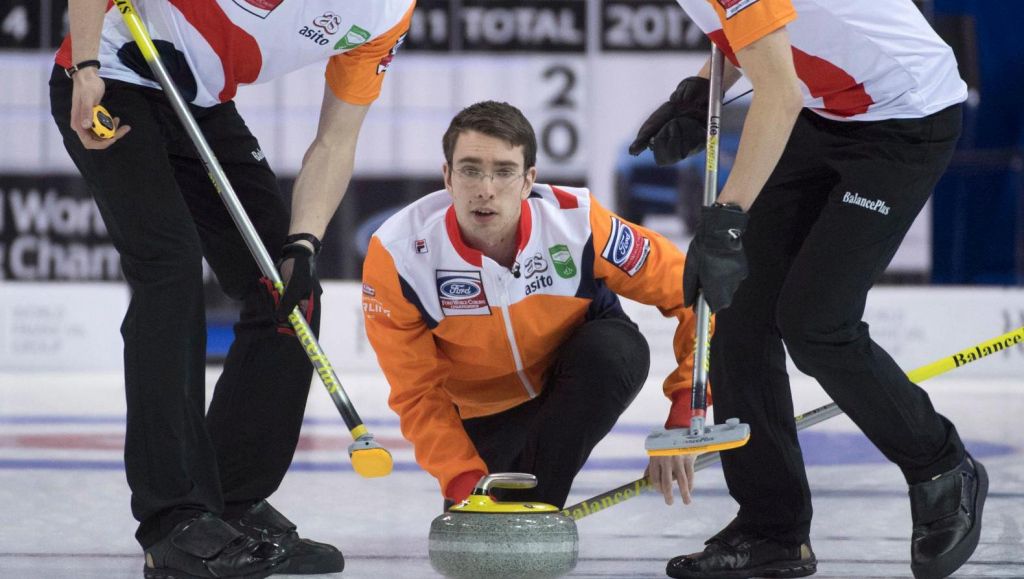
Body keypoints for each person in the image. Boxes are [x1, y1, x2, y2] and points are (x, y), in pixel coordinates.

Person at [50, 1, 414, 577]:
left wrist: (305, 244)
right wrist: (85, 65)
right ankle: (174, 520)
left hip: (200, 102)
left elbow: (337, 140)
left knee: (288, 290)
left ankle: (232, 502)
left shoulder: (389, 12)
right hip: (116, 77)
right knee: (168, 271)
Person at [629, 1, 983, 578]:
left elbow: (780, 92)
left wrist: (727, 218)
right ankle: (773, 529)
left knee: (817, 322)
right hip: (825, 110)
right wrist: (699, 93)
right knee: (738, 308)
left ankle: (941, 465)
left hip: (903, 117)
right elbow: (760, 31)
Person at [361, 100, 704, 512]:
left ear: (528, 181)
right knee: (480, 529)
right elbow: (416, 391)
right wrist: (461, 475)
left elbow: (694, 293)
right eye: (470, 170)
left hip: (580, 371)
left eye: (504, 171)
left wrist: (686, 416)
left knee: (613, 351)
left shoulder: (577, 223)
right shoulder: (398, 255)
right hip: (482, 416)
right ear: (448, 178)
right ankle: (513, 503)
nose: (486, 188)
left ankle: (538, 510)